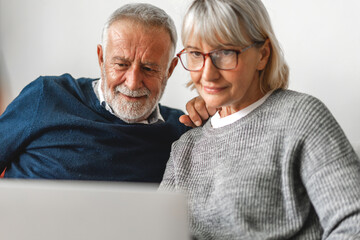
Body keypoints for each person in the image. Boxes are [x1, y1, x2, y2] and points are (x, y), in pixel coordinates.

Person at [159, 0, 360, 239]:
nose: (208, 74)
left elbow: (353, 222)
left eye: (225, 53)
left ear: (262, 55)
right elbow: (158, 231)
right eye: (195, 54)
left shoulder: (301, 117)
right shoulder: (185, 148)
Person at [0, 3, 194, 182]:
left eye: (149, 69)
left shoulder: (182, 132)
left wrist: (214, 112)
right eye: (121, 64)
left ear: (170, 69)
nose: (133, 83)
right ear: (101, 58)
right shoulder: (47, 96)